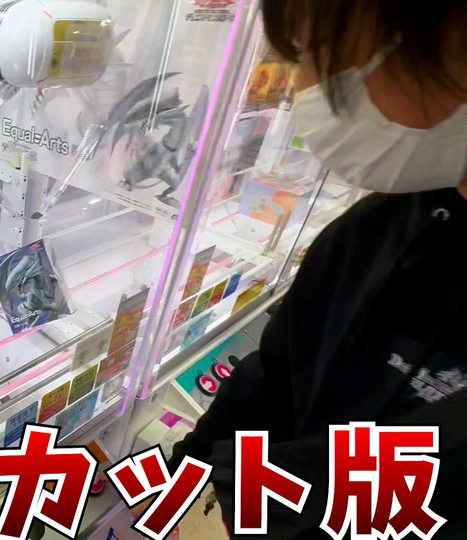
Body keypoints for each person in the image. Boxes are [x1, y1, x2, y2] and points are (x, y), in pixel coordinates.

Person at [169, 1, 467, 538]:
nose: (303, 89)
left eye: (320, 53)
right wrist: (183, 478)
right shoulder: (375, 227)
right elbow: (279, 372)